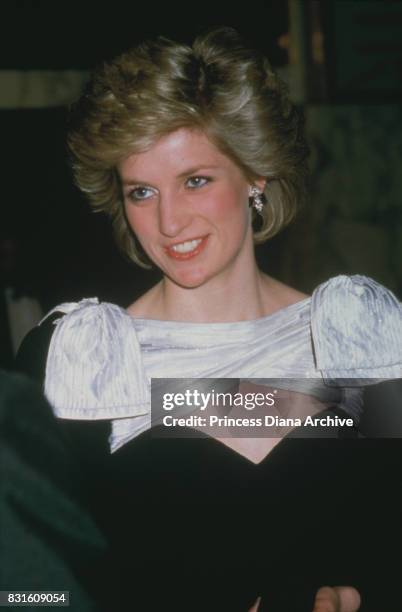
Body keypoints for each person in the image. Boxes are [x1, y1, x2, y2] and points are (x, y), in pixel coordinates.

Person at [16, 27, 402, 611]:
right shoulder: (80, 360)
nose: (169, 222)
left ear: (255, 175)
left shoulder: (363, 340)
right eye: (141, 192)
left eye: (195, 181)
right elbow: (23, 592)